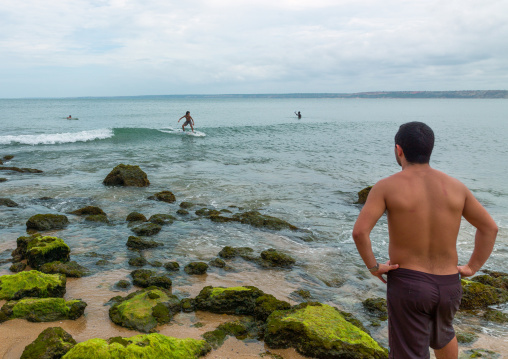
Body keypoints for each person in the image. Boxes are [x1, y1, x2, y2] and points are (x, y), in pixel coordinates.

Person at [352, 121, 497, 359]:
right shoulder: (456, 187)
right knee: (443, 335)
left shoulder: (386, 186)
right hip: (449, 284)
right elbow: (489, 228)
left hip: (410, 284)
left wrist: (374, 266)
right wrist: (472, 267)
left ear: (399, 150)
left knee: (409, 352)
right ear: (430, 149)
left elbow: (360, 232)